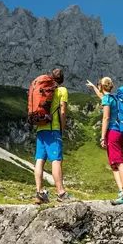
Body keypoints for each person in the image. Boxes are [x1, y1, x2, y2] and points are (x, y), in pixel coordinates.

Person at [86, 77, 123, 206]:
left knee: (119, 162)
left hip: (112, 133)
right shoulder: (114, 98)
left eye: (98, 85)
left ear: (102, 86)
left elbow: (106, 117)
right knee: (114, 164)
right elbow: (102, 96)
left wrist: (102, 137)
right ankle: (121, 191)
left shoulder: (107, 99)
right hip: (120, 133)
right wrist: (93, 87)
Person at [34, 68, 75, 205]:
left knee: (40, 160)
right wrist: (62, 128)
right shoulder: (62, 91)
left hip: (41, 128)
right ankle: (61, 193)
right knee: (56, 160)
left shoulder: (44, 89)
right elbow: (62, 112)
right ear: (62, 79)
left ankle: (40, 193)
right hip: (53, 129)